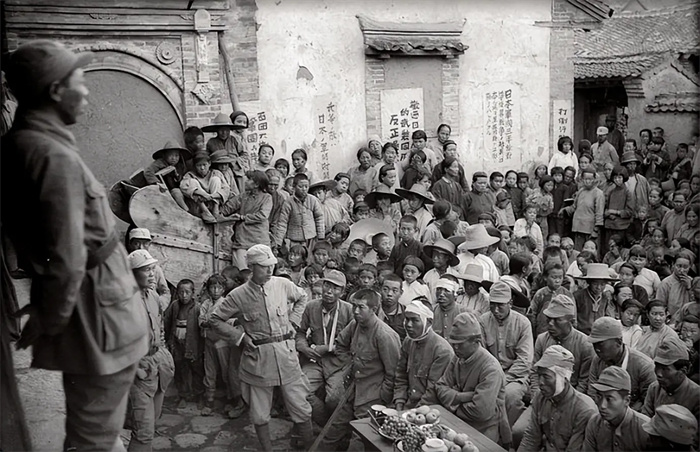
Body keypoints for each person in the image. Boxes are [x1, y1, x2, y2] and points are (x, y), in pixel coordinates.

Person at [2, 40, 149, 451]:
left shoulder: (29, 143)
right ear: (55, 91)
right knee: (93, 439)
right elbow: (66, 259)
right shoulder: (50, 155)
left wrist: (47, 310)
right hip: (97, 314)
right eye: (79, 81)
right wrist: (51, 317)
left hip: (88, 306)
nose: (86, 92)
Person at [207, 245, 312, 451]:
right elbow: (215, 319)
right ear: (252, 267)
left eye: (271, 265)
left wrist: (294, 321)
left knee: (301, 406)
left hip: (286, 356)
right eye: (264, 266)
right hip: (258, 359)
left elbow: (302, 297)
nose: (270, 270)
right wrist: (240, 337)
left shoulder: (282, 284)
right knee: (260, 413)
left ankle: (310, 447)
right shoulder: (238, 295)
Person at [318, 289, 401, 451]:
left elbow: (394, 373)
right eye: (354, 306)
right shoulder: (355, 325)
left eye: (361, 307)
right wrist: (348, 365)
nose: (355, 311)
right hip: (352, 390)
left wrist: (382, 396)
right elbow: (341, 344)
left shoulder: (385, 335)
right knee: (332, 431)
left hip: (372, 396)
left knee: (359, 441)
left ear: (373, 309)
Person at [425, 312, 511, 447]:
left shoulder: (491, 368)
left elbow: (481, 412)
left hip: (482, 431)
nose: (455, 348)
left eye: (460, 344)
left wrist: (452, 403)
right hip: (457, 423)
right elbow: (440, 387)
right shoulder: (458, 357)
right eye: (453, 344)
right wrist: (463, 397)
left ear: (476, 341)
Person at [125, 250, 175, 452]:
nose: (152, 274)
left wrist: (164, 354)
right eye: (146, 270)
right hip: (138, 369)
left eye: (153, 268)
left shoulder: (153, 296)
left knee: (152, 422)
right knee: (143, 432)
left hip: (157, 364)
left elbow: (159, 327)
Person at [295, 270, 354, 427]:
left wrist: (329, 348)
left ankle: (335, 428)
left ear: (342, 292)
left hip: (339, 364)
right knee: (300, 391)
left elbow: (354, 342)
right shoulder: (311, 307)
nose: (329, 291)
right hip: (316, 361)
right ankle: (324, 423)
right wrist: (305, 348)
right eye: (327, 285)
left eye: (335, 288)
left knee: (334, 399)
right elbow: (300, 333)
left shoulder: (349, 310)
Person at [517, 345, 597, 452]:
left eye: (546, 376)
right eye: (539, 375)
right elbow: (531, 438)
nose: (540, 382)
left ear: (564, 378)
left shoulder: (584, 409)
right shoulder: (540, 397)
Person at [479, 281, 534, 426]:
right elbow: (481, 354)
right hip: (490, 374)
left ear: (510, 303)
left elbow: (524, 360)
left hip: (515, 377)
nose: (495, 310)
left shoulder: (523, 323)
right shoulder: (483, 321)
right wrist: (492, 377)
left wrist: (504, 379)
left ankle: (509, 433)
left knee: (510, 395)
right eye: (492, 305)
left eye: (500, 305)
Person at [393, 299, 454, 410]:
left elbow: (433, 391)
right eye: (407, 319)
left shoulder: (442, 351)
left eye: (415, 320)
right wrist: (399, 402)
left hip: (429, 409)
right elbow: (401, 376)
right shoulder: (408, 341)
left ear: (429, 322)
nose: (409, 325)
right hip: (407, 404)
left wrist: (412, 412)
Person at [587, 317, 656, 411]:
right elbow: (592, 393)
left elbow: (648, 404)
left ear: (619, 342)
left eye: (601, 344)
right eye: (594, 344)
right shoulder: (597, 360)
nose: (597, 349)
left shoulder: (644, 366)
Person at [583, 366, 650, 451]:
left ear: (626, 400)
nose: (602, 405)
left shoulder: (645, 429)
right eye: (599, 397)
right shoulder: (594, 424)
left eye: (609, 399)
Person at [163, 279, 204, 409]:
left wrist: (200, 346)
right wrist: (167, 340)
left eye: (187, 292)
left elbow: (201, 329)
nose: (184, 295)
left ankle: (199, 395)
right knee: (180, 369)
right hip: (177, 344)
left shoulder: (198, 308)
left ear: (193, 293)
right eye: (181, 292)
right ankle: (183, 395)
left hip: (193, 344)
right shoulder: (174, 306)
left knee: (197, 370)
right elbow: (167, 322)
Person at [220, 170, 273, 269]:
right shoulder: (243, 196)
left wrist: (242, 217)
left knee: (263, 272)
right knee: (241, 272)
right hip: (242, 241)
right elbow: (227, 208)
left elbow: (262, 215)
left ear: (256, 184)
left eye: (249, 179)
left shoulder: (267, 198)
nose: (246, 181)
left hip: (260, 241)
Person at [642, 335, 700, 423]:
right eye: (657, 366)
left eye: (665, 369)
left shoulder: (697, 396)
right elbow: (645, 420)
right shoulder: (654, 389)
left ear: (683, 370)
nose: (658, 374)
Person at [272, 173, 325, 250]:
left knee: (309, 256)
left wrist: (321, 236)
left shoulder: (313, 200)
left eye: (306, 186)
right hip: (293, 239)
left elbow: (319, 217)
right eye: (300, 186)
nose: (304, 189)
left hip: (311, 238)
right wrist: (278, 241)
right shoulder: (288, 202)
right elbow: (282, 222)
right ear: (294, 187)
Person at [126, 228, 172, 311]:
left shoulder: (156, 269)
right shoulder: (123, 267)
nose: (141, 247)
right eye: (136, 243)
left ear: (149, 245)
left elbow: (165, 292)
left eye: (145, 244)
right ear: (130, 244)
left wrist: (158, 304)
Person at [561, 168, 605, 250]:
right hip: (578, 227)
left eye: (590, 179)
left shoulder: (598, 193)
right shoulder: (581, 191)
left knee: (589, 252)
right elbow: (574, 207)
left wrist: (596, 230)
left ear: (594, 179)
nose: (587, 181)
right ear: (582, 179)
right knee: (578, 252)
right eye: (585, 179)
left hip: (590, 230)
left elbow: (599, 213)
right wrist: (565, 210)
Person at [180, 152, 230, 223]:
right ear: (195, 166)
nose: (202, 168)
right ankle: (205, 211)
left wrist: (211, 196)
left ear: (209, 164)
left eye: (204, 165)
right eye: (199, 165)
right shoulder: (190, 175)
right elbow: (183, 187)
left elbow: (226, 190)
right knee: (193, 182)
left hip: (213, 202)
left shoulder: (216, 173)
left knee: (216, 179)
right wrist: (203, 194)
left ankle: (215, 209)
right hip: (199, 205)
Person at [143, 140, 191, 211]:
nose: (174, 158)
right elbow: (148, 171)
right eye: (171, 155)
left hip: (178, 190)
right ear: (165, 155)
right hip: (163, 191)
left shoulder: (180, 165)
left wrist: (177, 176)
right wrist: (157, 183)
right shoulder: (159, 163)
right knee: (176, 192)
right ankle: (186, 211)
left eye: (176, 155)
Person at [573, 263, 617, 335]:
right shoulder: (578, 296)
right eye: (595, 284)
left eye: (602, 284)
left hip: (598, 334)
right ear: (589, 282)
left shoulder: (605, 298)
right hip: (580, 334)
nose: (598, 287)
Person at [657, 254, 694, 321]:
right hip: (671, 321)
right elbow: (660, 305)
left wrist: (689, 287)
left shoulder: (693, 282)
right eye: (679, 266)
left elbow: (696, 304)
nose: (682, 270)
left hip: (690, 321)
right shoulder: (665, 283)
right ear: (673, 265)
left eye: (685, 267)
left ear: (690, 267)